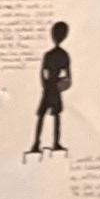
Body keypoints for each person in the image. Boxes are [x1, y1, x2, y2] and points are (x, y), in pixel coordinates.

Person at [29, 20, 73, 154]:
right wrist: (59, 85)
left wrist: (46, 85)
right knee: (54, 115)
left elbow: (43, 73)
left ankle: (37, 143)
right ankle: (53, 143)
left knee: (43, 115)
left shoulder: (49, 55)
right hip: (53, 88)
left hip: (49, 87)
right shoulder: (63, 55)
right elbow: (68, 76)